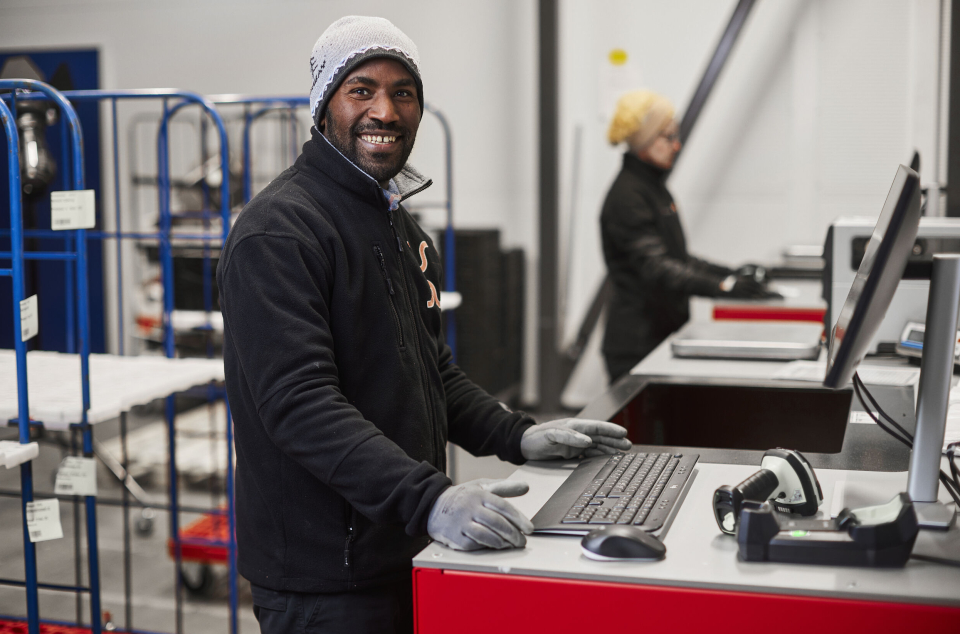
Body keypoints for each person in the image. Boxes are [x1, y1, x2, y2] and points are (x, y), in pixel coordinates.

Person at [217, 16, 631, 634]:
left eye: (402, 92)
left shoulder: (401, 228)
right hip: (328, 576)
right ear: (323, 105)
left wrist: (518, 436)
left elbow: (428, 368)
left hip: (404, 548)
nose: (384, 109)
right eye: (361, 89)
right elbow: (300, 406)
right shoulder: (280, 232)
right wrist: (431, 498)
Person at [599, 90, 779, 383]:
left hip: (660, 333)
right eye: (668, 137)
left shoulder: (653, 189)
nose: (677, 145)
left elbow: (677, 256)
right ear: (645, 140)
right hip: (636, 345)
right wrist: (723, 286)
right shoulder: (628, 197)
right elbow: (657, 267)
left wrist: (730, 272)